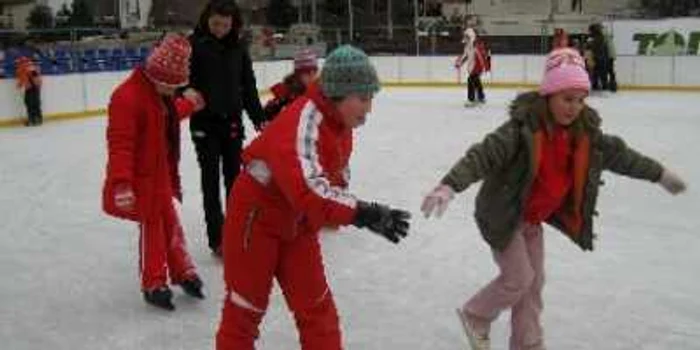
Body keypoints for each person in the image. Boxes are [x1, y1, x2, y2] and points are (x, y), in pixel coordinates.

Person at [421, 48, 687, 350]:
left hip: (532, 220)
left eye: (580, 99)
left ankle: (527, 343)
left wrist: (659, 174)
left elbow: (621, 155)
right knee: (519, 278)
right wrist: (449, 186)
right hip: (503, 216)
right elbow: (483, 155)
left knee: (534, 284)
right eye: (566, 98)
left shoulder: (583, 133)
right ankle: (476, 315)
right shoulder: (521, 130)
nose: (574, 108)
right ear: (548, 95)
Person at [215, 45, 411, 350]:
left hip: (298, 222)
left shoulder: (340, 124)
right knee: (245, 309)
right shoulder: (304, 120)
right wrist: (364, 213)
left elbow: (331, 175)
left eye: (371, 98)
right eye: (363, 98)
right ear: (338, 94)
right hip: (256, 218)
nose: (369, 108)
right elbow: (311, 190)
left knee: (316, 306)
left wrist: (343, 204)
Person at [102, 34, 207, 311]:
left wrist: (190, 105)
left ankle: (183, 271)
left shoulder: (159, 92)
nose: (173, 91)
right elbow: (120, 145)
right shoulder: (126, 98)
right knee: (153, 229)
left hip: (161, 173)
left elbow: (167, 115)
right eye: (169, 85)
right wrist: (121, 183)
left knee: (171, 223)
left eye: (177, 86)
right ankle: (153, 282)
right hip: (141, 179)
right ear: (154, 73)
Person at [187, 0, 268, 256]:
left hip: (232, 122)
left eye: (225, 24)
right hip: (204, 125)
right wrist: (184, 90)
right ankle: (217, 238)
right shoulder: (193, 45)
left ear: (233, 24)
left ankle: (237, 231)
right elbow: (178, 80)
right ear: (206, 20)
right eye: (215, 23)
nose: (219, 29)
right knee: (210, 183)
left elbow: (248, 86)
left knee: (235, 183)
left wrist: (259, 118)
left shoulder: (238, 48)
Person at [262, 48, 318, 120]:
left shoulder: (318, 93)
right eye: (307, 73)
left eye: (315, 71)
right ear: (298, 74)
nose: (312, 76)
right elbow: (265, 118)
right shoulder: (285, 96)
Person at [456, 28, 489, 105]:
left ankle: (471, 99)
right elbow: (465, 56)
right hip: (472, 67)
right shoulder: (467, 46)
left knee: (470, 80)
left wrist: (484, 67)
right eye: (465, 36)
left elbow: (481, 56)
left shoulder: (476, 45)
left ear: (471, 36)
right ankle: (481, 97)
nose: (465, 38)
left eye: (467, 36)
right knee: (476, 81)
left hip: (477, 66)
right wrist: (459, 63)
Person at [15, 56, 43, 126]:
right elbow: (35, 76)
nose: (17, 64)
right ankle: (38, 119)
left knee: (29, 103)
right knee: (35, 103)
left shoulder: (22, 68)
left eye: (18, 62)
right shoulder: (32, 66)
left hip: (31, 87)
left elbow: (24, 77)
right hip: (35, 87)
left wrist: (19, 85)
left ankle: (32, 119)